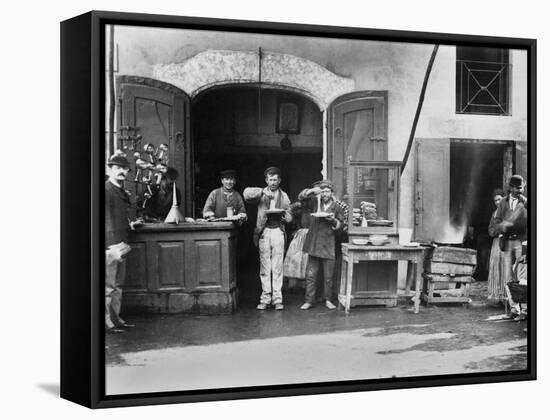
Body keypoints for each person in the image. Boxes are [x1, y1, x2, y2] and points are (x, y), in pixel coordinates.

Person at [244, 167, 292, 310]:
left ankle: (277, 299)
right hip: (264, 232)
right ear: (266, 180)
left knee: (277, 267)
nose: (273, 182)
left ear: (279, 180)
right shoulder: (260, 194)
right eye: (270, 179)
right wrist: (261, 191)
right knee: (265, 267)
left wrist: (285, 216)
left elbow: (290, 216)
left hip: (278, 231)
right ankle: (265, 298)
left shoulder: (284, 196)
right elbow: (246, 194)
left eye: (275, 179)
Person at [299, 180, 345, 310]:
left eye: (327, 191)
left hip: (329, 244)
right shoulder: (314, 202)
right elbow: (301, 197)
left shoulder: (337, 207)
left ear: (331, 192)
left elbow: (341, 226)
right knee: (311, 275)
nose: (325, 194)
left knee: (328, 276)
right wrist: (311, 191)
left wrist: (334, 220)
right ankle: (309, 300)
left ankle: (328, 300)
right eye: (322, 191)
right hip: (313, 242)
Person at [105, 155, 137, 333]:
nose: (122, 171)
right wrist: (111, 245)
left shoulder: (119, 189)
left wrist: (129, 224)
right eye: (118, 167)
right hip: (112, 245)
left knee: (117, 284)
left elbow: (118, 216)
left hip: (121, 241)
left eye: (125, 169)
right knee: (109, 286)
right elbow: (105, 219)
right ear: (109, 169)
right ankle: (107, 323)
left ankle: (116, 320)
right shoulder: (107, 189)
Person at [492, 175, 528, 309]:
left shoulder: (526, 202)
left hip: (520, 243)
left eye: (522, 188)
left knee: (521, 276)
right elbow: (496, 221)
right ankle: (513, 308)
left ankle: (524, 309)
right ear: (511, 188)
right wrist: (501, 229)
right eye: (518, 188)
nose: (521, 191)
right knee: (508, 276)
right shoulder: (503, 203)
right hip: (507, 243)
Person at [487, 189, 505, 303]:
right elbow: (490, 230)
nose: (497, 202)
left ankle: (506, 297)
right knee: (495, 268)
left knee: (505, 267)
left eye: (499, 199)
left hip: (506, 242)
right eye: (495, 201)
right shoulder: (494, 214)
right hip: (496, 243)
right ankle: (496, 296)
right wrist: (497, 231)